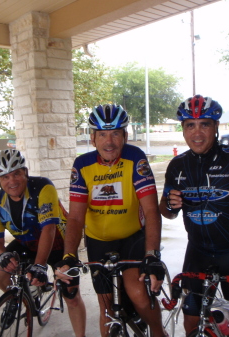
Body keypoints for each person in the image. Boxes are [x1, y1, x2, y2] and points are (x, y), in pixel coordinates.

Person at [159, 95, 229, 337]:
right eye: (190, 125)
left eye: (205, 124)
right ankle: (218, 325)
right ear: (183, 130)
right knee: (191, 324)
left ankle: (227, 324)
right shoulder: (177, 166)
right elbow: (167, 212)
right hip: (197, 253)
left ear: (216, 127)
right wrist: (170, 205)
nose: (197, 133)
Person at [55, 104, 168, 337]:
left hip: (132, 238)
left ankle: (158, 332)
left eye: (116, 133)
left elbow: (151, 211)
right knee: (106, 307)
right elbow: (75, 217)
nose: (110, 142)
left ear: (125, 136)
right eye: (103, 134)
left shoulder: (135, 158)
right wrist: (69, 255)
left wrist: (152, 254)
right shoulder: (82, 165)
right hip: (99, 241)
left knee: (137, 293)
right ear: (93, 137)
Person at [0, 149, 86, 337]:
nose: (12, 181)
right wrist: (2, 255)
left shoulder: (43, 187)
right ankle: (25, 299)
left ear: (25, 172)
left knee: (70, 294)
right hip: (27, 242)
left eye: (16, 174)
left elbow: (49, 229)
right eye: (5, 177)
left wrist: (39, 265)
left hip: (58, 241)